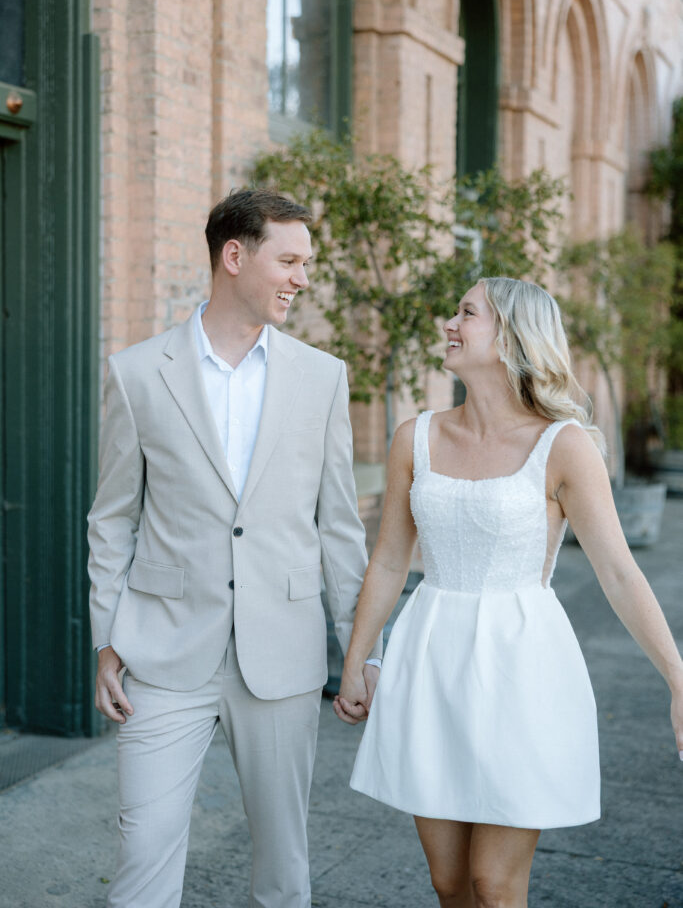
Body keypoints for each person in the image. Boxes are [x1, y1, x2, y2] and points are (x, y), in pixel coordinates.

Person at [333, 276, 683, 908]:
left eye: (467, 313)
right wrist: (358, 658)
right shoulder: (415, 436)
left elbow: (620, 573)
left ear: (510, 340)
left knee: (494, 884)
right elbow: (388, 560)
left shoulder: (564, 446)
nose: (449, 322)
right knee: (448, 882)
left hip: (522, 669)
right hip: (429, 660)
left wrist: (679, 676)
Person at [88, 188, 382, 908]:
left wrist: (359, 650)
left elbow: (339, 526)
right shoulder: (134, 373)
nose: (300, 279)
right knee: (143, 856)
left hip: (281, 654)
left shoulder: (322, 377)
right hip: (161, 653)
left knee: (283, 870)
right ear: (233, 255)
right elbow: (112, 519)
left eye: (304, 263)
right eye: (288, 260)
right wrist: (107, 640)